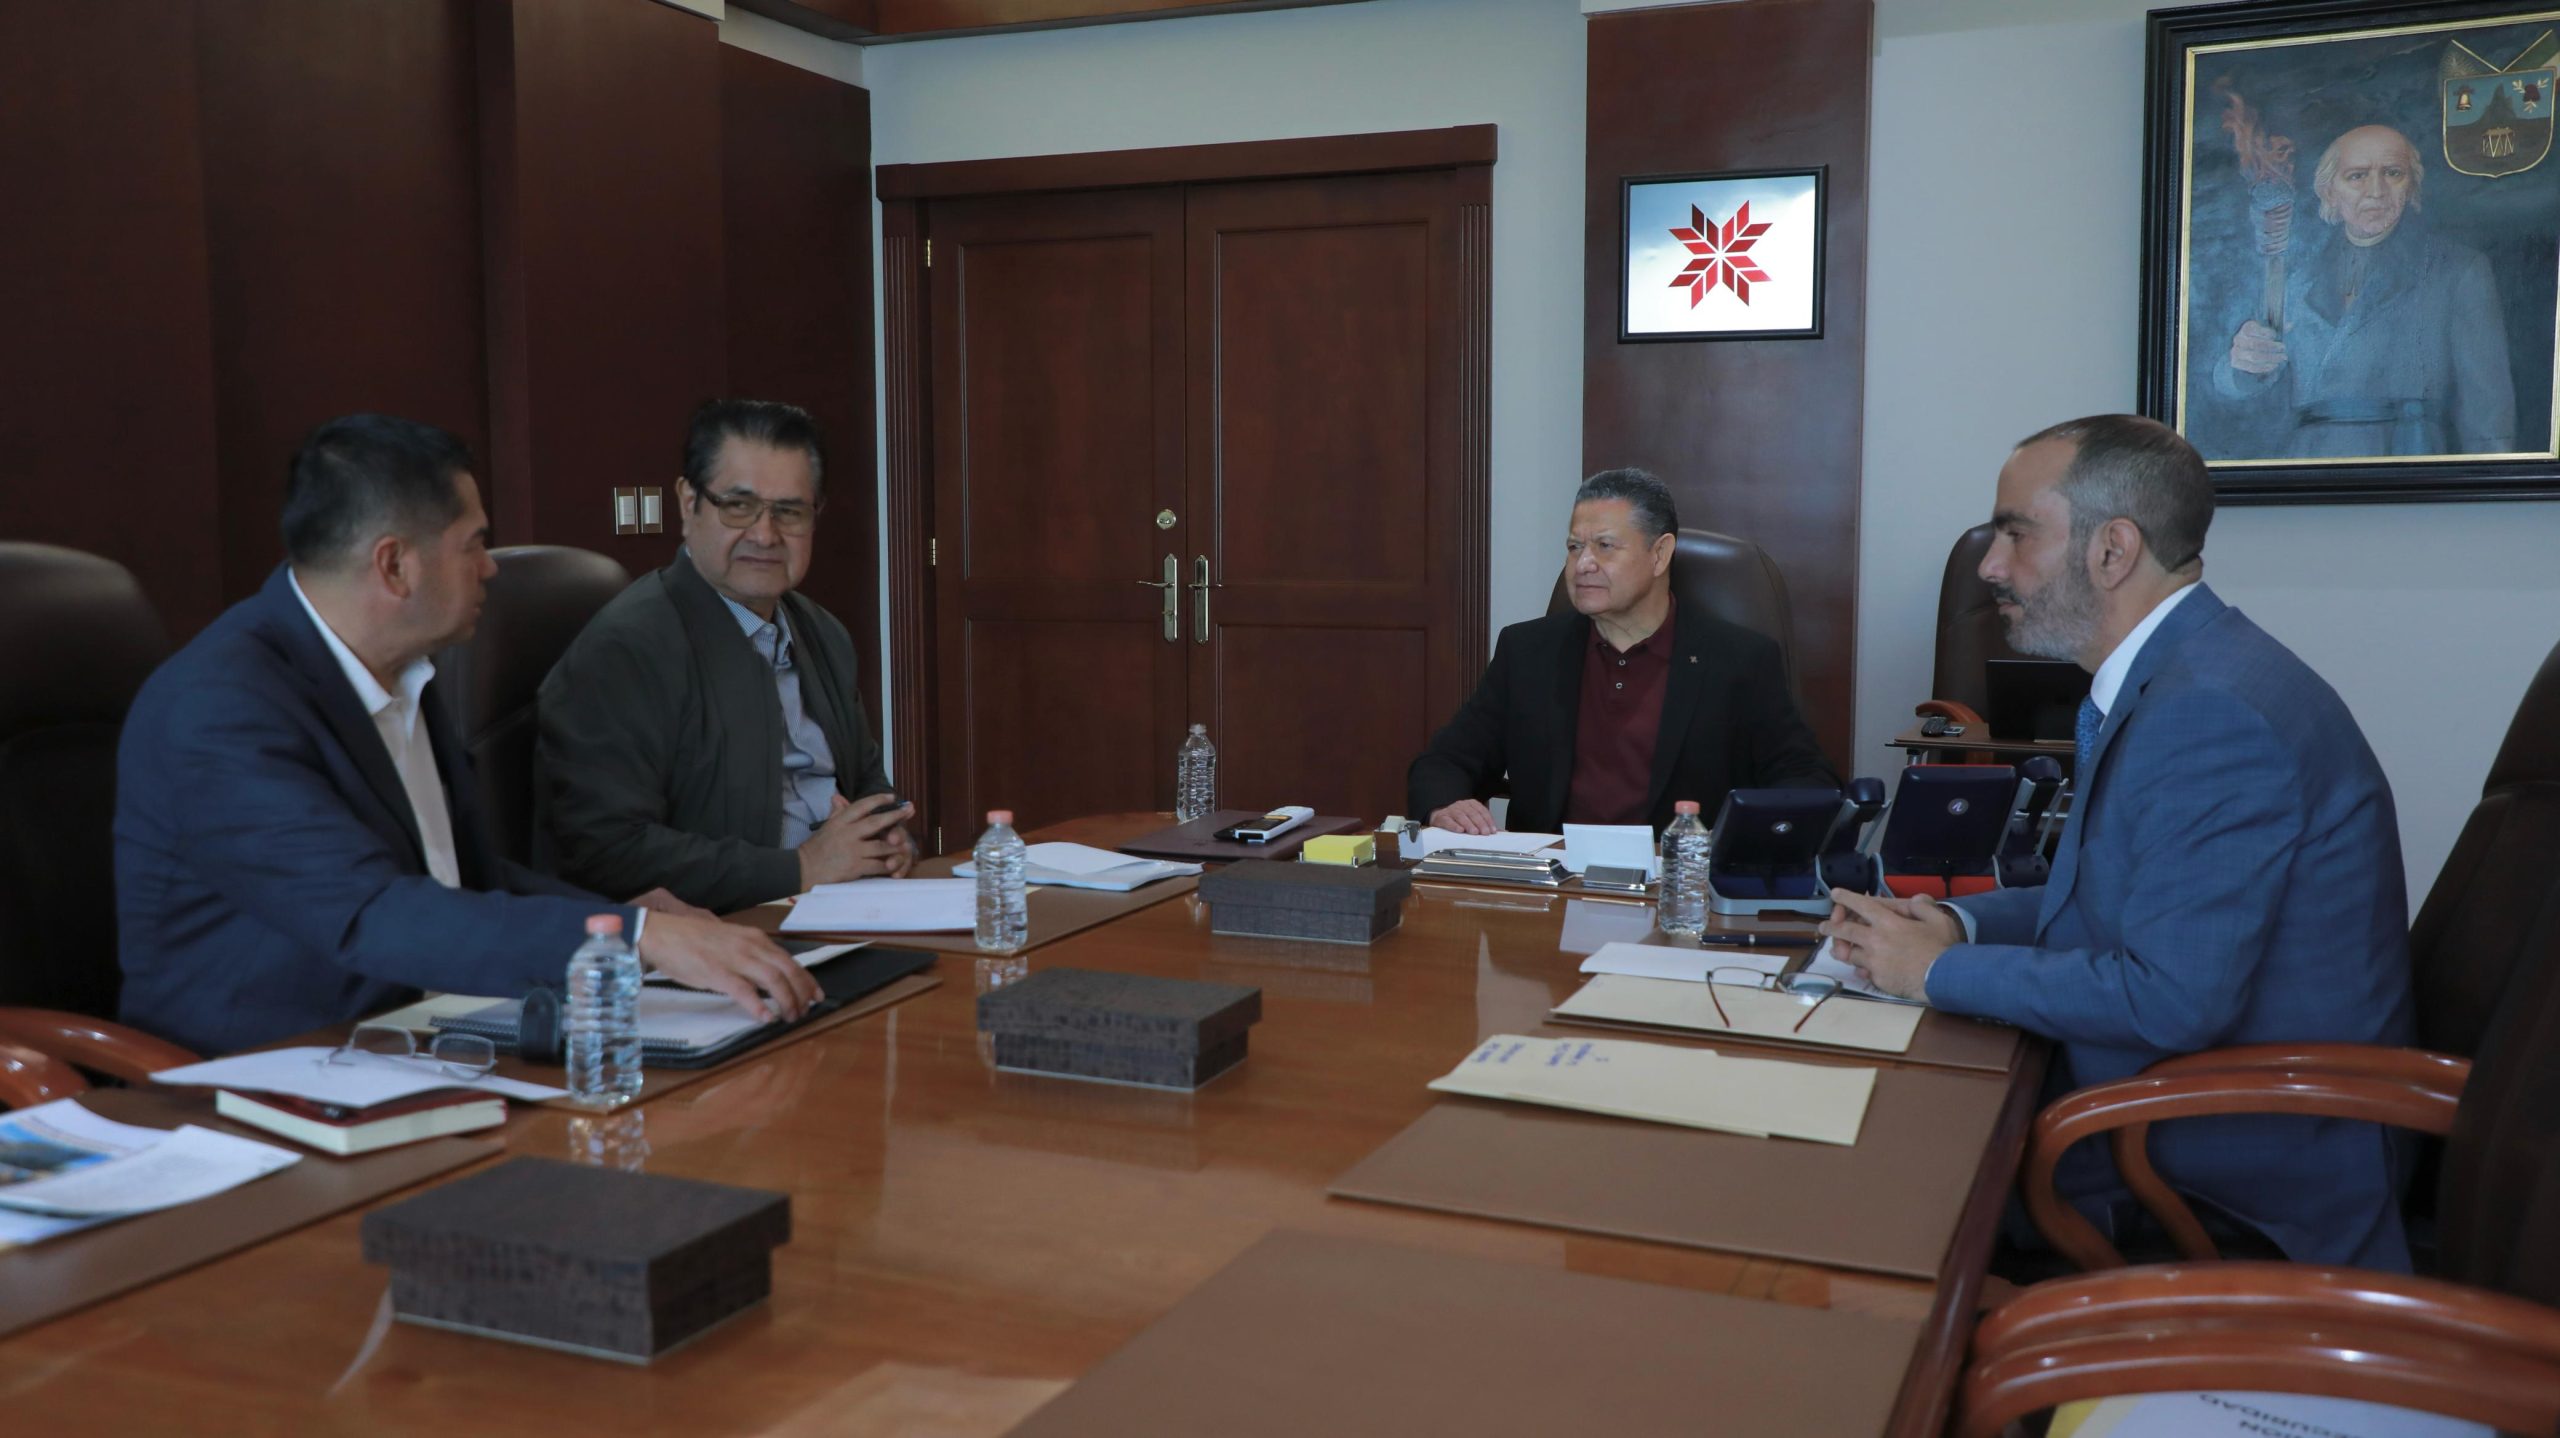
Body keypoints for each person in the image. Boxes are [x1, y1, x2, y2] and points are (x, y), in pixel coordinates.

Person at [1821, 414, 2417, 1270]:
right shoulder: (2185, 675)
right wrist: (1956, 925)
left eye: (2015, 533)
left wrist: (1935, 973)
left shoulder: (2209, 713)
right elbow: (2109, 894)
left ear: (2112, 550)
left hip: (2228, 1173)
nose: (1990, 566)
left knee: (1877, 1171)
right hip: (2173, 1114)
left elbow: (2172, 1000)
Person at [115, 414, 818, 1056]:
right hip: (261, 1076)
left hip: (427, 1039)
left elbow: (468, 878)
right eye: (474, 544)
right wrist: (642, 940)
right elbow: (372, 914)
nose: (490, 567)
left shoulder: (400, 669)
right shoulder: (219, 708)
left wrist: (625, 924)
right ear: (395, 565)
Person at [537, 400, 913, 913]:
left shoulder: (822, 632)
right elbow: (607, 850)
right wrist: (801, 867)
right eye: (738, 505)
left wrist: (886, 836)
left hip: (848, 907)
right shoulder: (625, 649)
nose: (765, 534)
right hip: (726, 926)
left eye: (790, 511)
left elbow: (865, 779)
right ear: (688, 502)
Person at [1406, 468, 1834, 837]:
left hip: (1674, 885)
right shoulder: (1528, 652)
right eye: (1575, 547)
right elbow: (1445, 761)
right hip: (1553, 885)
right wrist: (1446, 805)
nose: (1583, 565)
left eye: (1605, 546)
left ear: (1660, 554)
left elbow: (1805, 780)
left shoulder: (1739, 661)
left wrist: (1748, 844)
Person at [2210, 123, 2515, 459]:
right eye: (2356, 176)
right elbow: (2239, 388)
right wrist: (2244, 364)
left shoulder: (2458, 270)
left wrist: (2493, 476)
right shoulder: (2296, 277)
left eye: (2393, 173)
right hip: (2309, 466)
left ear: (2411, 185)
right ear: (2329, 191)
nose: (2376, 191)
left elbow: (2488, 412)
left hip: (2408, 461)